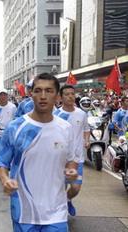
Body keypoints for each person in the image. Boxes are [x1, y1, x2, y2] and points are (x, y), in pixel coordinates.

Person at [0, 73, 78, 232]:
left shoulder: (66, 129)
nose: (43, 96)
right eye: (38, 90)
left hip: (57, 211)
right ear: (31, 93)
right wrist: (5, 179)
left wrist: (71, 169)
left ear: (57, 96)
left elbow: (71, 159)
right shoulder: (15, 127)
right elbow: (1, 164)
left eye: (49, 91)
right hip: (24, 211)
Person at [54, 85, 90, 217]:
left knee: (75, 188)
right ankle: (59, 214)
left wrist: (87, 140)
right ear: (61, 97)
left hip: (77, 158)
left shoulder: (81, 113)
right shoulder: (56, 114)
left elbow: (86, 129)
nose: (70, 96)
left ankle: (68, 199)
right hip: (60, 159)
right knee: (60, 187)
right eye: (67, 94)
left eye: (72, 94)